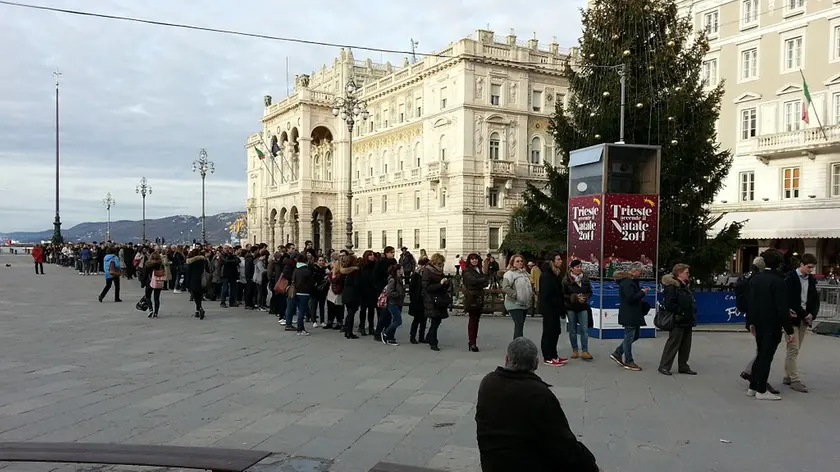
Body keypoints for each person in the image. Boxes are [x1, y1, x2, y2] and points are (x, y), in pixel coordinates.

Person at [475, 337, 601, 472]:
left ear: (506, 360)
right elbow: (563, 442)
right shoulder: (539, 394)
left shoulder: (488, 383)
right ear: (535, 364)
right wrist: (591, 465)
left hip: (491, 464)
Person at [747, 249, 795, 400]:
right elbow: (781, 308)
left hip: (758, 322)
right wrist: (789, 329)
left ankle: (753, 387)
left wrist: (750, 323)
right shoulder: (779, 282)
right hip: (771, 323)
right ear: (779, 263)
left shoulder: (755, 279)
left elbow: (750, 303)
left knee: (761, 354)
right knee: (766, 357)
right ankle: (761, 390)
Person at [782, 253, 820, 393]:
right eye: (809, 267)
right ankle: (794, 379)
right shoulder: (790, 278)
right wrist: (805, 313)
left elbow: (815, 299)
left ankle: (787, 375)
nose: (811, 270)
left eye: (812, 268)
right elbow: (791, 300)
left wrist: (812, 314)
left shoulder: (811, 279)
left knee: (795, 348)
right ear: (802, 264)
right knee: (793, 348)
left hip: (804, 318)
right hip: (792, 318)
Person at [609, 262, 650, 372]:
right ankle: (628, 360)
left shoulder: (631, 281)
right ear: (634, 271)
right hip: (629, 314)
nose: (641, 274)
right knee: (630, 336)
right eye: (640, 272)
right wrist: (642, 292)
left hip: (633, 313)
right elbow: (630, 298)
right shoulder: (627, 282)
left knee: (634, 335)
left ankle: (618, 353)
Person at [657, 264, 697, 376]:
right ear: (679, 273)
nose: (688, 274)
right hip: (678, 319)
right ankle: (664, 366)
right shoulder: (672, 287)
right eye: (686, 272)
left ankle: (683, 366)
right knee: (673, 343)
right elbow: (669, 304)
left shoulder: (684, 286)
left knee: (686, 344)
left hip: (687, 319)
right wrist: (681, 311)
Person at [539, 252, 567, 366]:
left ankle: (554, 354)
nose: (561, 261)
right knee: (549, 332)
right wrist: (553, 305)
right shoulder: (546, 275)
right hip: (549, 309)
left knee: (556, 332)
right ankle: (548, 356)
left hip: (555, 308)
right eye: (558, 259)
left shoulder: (556, 274)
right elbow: (546, 294)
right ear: (552, 261)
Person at [562, 259, 593, 361]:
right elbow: (562, 294)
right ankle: (575, 350)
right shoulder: (566, 280)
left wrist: (585, 297)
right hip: (571, 307)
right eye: (577, 267)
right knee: (573, 329)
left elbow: (589, 292)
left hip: (582, 307)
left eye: (580, 266)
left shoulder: (585, 279)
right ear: (572, 268)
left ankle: (585, 350)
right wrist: (574, 297)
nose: (579, 269)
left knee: (584, 329)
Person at [421, 253, 450, 351]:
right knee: (434, 320)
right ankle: (433, 342)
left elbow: (442, 284)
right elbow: (426, 287)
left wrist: (446, 283)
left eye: (441, 264)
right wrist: (440, 284)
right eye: (439, 264)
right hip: (431, 299)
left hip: (439, 298)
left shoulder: (439, 271)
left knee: (438, 320)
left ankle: (429, 337)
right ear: (434, 262)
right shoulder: (428, 271)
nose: (441, 266)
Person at [462, 253, 489, 352]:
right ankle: (472, 342)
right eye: (472, 259)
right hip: (472, 297)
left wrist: (481, 280)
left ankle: (473, 341)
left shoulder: (479, 269)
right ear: (469, 260)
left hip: (479, 296)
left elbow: (486, 282)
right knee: (473, 320)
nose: (474, 261)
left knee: (476, 320)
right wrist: (482, 280)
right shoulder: (467, 270)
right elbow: (471, 281)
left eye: (476, 259)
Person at [502, 254, 533, 339]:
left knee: (520, 325)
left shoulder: (525, 273)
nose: (520, 263)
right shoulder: (509, 274)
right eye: (517, 261)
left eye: (521, 261)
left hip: (524, 303)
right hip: (514, 303)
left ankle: (518, 345)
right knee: (519, 325)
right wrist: (516, 295)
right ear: (512, 263)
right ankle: (516, 348)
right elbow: (505, 287)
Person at [382, 263, 406, 345]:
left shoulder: (399, 279)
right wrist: (399, 294)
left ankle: (390, 338)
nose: (403, 270)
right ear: (398, 270)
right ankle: (385, 333)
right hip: (393, 303)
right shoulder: (393, 280)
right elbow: (389, 293)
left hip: (398, 303)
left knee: (395, 320)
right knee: (398, 321)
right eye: (402, 269)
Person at [290, 253, 314, 336]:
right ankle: (300, 329)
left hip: (296, 292)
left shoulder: (296, 269)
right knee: (301, 312)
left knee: (299, 310)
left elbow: (293, 280)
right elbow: (311, 283)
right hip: (304, 293)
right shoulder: (307, 270)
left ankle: (300, 329)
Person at [408, 257, 429, 344]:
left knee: (424, 319)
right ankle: (412, 336)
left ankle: (421, 336)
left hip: (425, 299)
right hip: (417, 300)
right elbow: (411, 287)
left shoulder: (427, 274)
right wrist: (413, 298)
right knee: (416, 319)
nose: (424, 267)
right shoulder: (416, 275)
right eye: (423, 265)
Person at [186, 249, 208, 320]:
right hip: (202, 279)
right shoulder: (204, 261)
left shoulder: (191, 261)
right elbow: (208, 269)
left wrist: (187, 283)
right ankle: (197, 310)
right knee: (199, 295)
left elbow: (188, 273)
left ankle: (200, 309)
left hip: (194, 280)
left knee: (195, 296)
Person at [143, 252, 166, 318]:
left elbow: (145, 274)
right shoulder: (160, 264)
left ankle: (150, 309)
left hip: (149, 282)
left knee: (147, 296)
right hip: (158, 281)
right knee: (156, 298)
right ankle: (156, 313)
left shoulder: (148, 264)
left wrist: (143, 281)